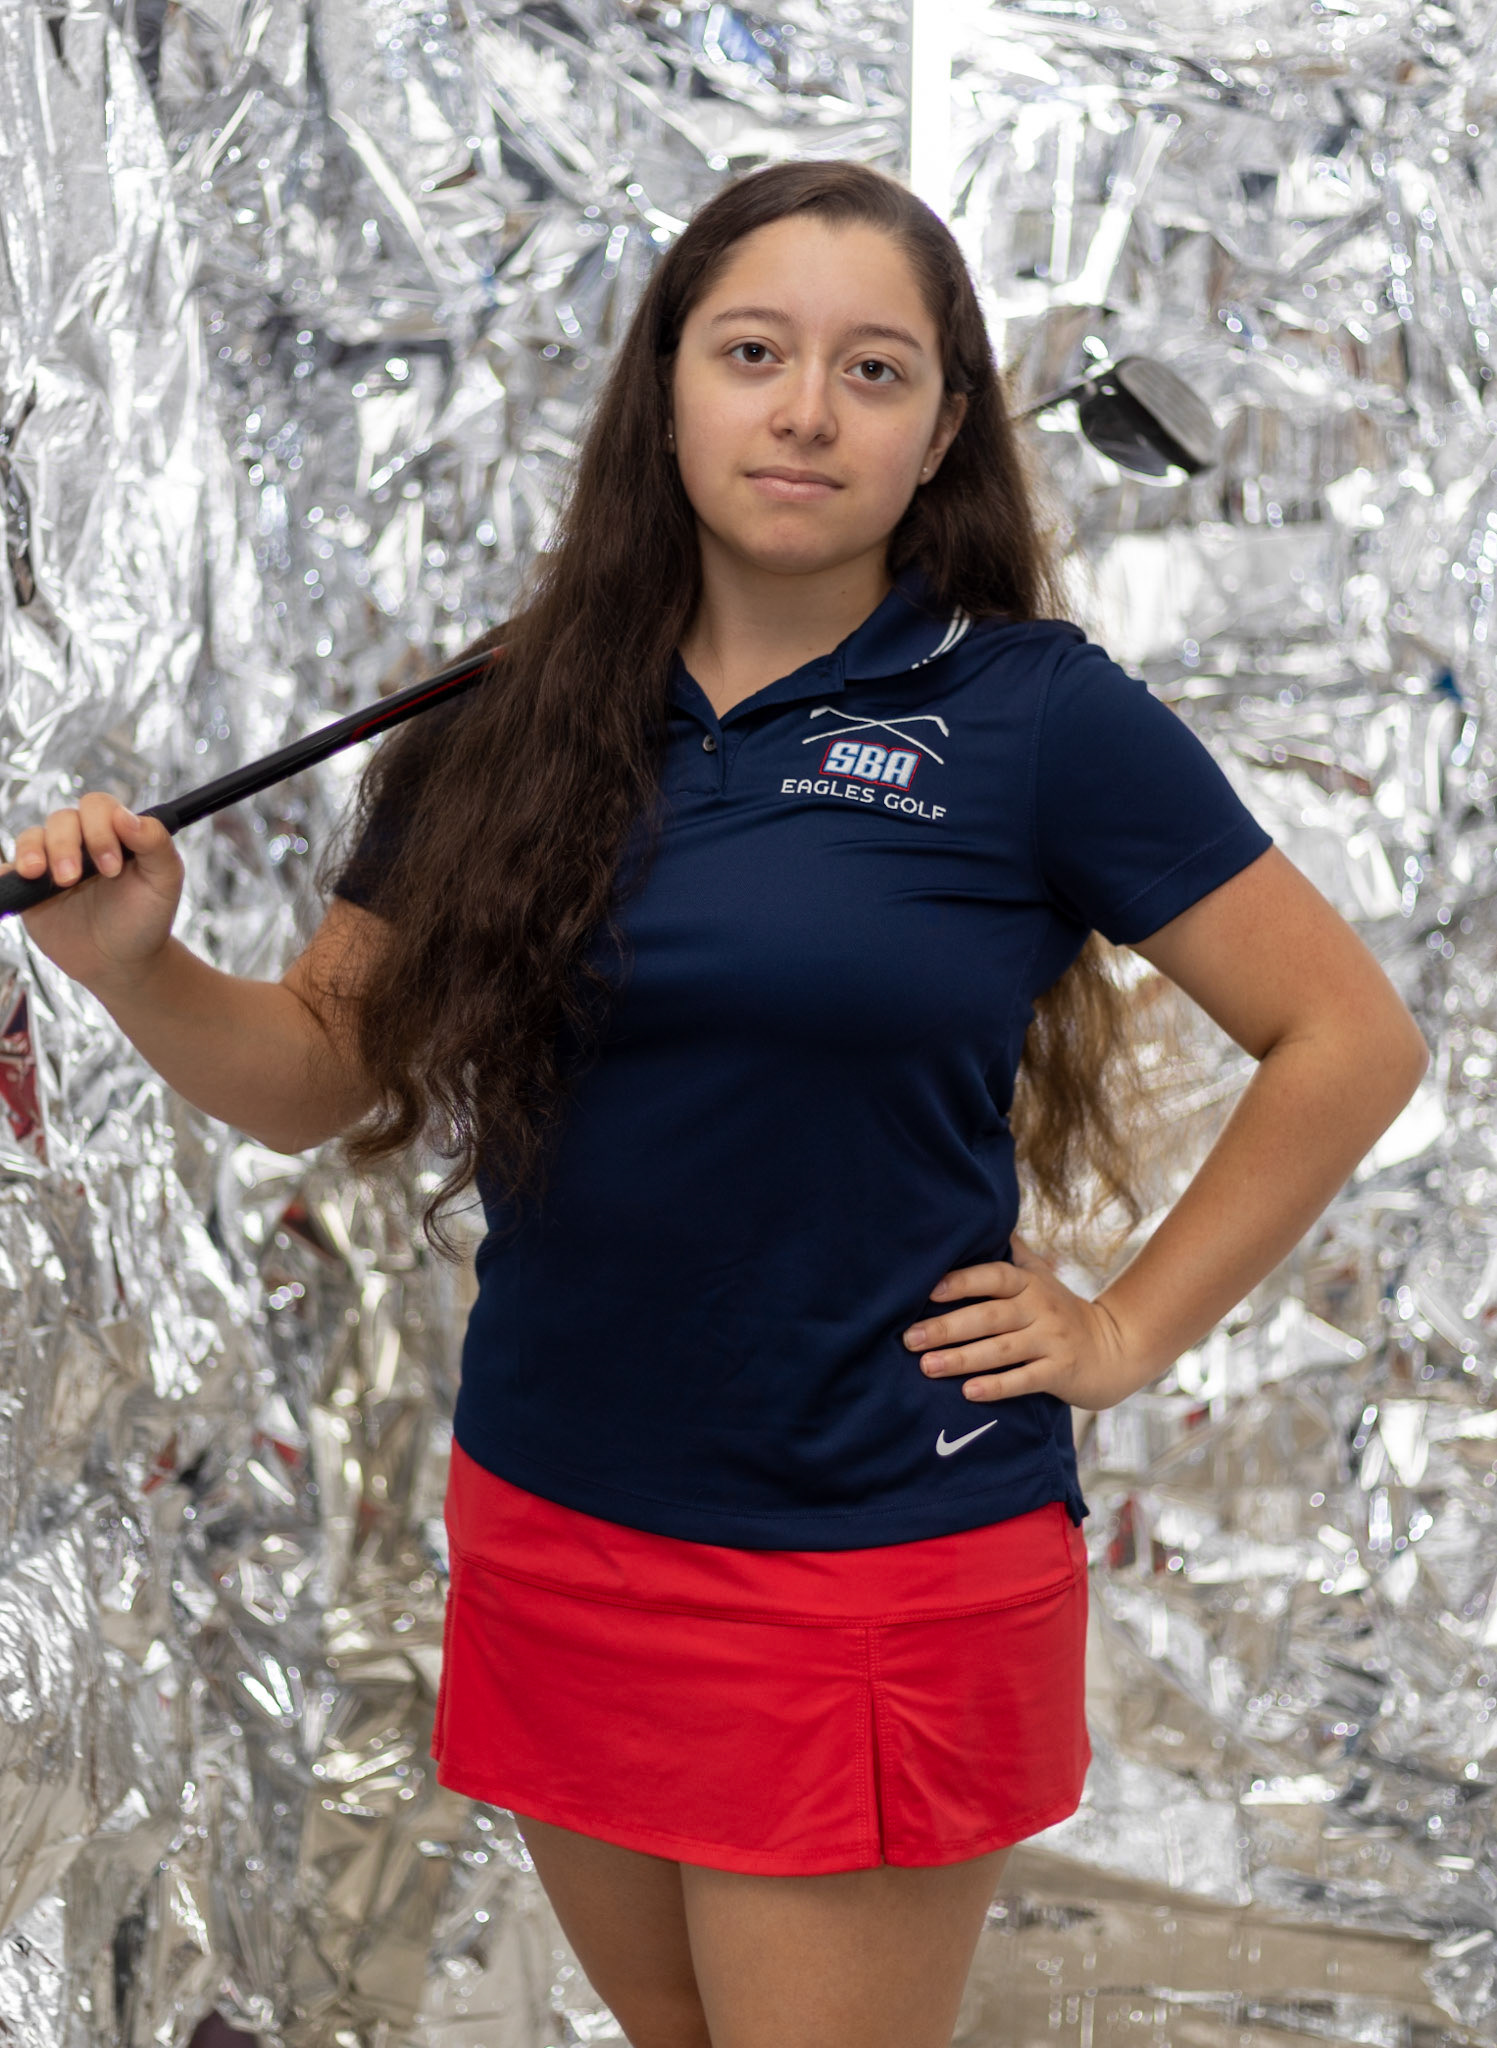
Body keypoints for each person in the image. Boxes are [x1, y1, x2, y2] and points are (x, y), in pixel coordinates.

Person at [11, 161, 1426, 2048]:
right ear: (666, 387)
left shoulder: (1029, 715)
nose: (802, 409)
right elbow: (314, 1077)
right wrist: (135, 964)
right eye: (754, 352)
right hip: (558, 1519)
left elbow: (1348, 1039)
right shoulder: (500, 728)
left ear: (939, 435)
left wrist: (1122, 1330)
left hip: (866, 1551)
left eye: (872, 370)